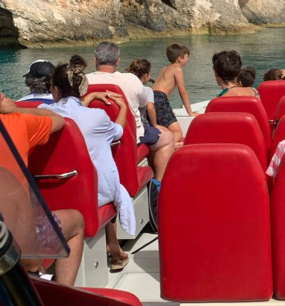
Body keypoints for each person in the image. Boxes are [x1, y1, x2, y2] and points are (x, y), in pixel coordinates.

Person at [46, 56, 135, 272]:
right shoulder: (96, 117)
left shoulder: (42, 113)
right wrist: (122, 107)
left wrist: (87, 97)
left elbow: (69, 113)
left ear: (55, 89)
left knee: (101, 180)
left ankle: (113, 248)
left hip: (50, 191)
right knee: (108, 182)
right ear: (82, 89)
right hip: (92, 193)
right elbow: (119, 132)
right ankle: (114, 248)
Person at [0, 91, 84, 286]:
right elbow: (58, 119)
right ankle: (63, 300)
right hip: (15, 245)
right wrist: (15, 109)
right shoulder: (16, 123)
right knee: (76, 221)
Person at [87, 42, 174, 183]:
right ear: (118, 61)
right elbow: (144, 103)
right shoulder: (130, 79)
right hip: (130, 136)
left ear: (95, 60)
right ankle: (159, 184)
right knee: (168, 138)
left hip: (94, 137)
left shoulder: (84, 81)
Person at [152, 44, 197, 146]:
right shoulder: (177, 69)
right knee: (177, 132)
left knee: (163, 128)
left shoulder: (165, 68)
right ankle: (170, 146)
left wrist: (168, 109)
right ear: (180, 58)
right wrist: (190, 112)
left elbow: (160, 89)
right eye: (187, 56)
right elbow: (183, 92)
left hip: (152, 97)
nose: (188, 59)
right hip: (160, 98)